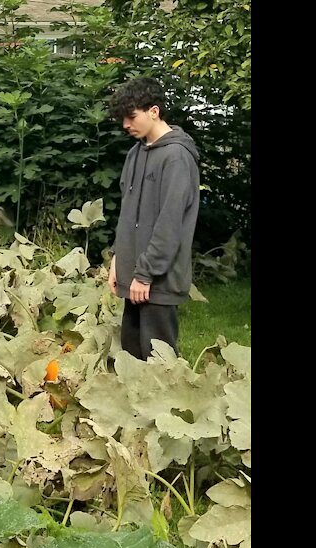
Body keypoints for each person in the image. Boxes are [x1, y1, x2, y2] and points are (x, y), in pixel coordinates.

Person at [106, 77, 201, 359]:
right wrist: (117, 259)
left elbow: (169, 224)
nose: (126, 124)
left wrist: (145, 274)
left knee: (160, 366)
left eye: (131, 117)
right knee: (131, 356)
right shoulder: (135, 153)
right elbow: (127, 214)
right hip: (134, 275)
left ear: (154, 111)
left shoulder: (177, 157)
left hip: (157, 281)